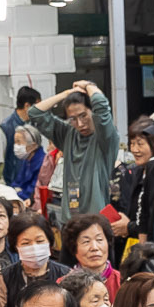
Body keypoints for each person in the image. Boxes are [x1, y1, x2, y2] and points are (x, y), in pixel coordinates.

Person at [24, 79, 114, 221]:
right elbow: (35, 113)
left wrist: (88, 86)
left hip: (96, 222)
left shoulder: (105, 136)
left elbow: (101, 105)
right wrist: (67, 93)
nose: (80, 123)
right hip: (70, 220)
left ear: (92, 112)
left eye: (84, 115)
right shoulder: (68, 134)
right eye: (73, 118)